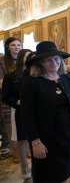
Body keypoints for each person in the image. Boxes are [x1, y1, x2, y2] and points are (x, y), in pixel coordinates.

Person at [21, 41, 70, 183]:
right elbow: (27, 115)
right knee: (48, 175)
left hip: (68, 136)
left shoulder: (67, 79)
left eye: (56, 58)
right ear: (40, 63)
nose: (54, 63)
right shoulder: (32, 83)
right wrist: (35, 142)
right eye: (48, 60)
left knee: (67, 171)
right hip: (45, 140)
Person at [2, 49, 35, 182]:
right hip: (19, 112)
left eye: (32, 57)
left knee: (35, 140)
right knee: (22, 141)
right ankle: (25, 171)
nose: (30, 59)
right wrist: (17, 102)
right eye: (27, 57)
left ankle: (37, 169)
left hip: (36, 112)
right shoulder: (11, 76)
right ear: (21, 58)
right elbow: (5, 97)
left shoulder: (36, 74)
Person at [0, 37, 22, 158]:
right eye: (13, 45)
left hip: (21, 99)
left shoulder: (22, 60)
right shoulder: (2, 62)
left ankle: (23, 152)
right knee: (10, 128)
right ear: (8, 47)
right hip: (7, 99)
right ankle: (15, 153)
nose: (17, 47)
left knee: (22, 127)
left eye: (19, 45)